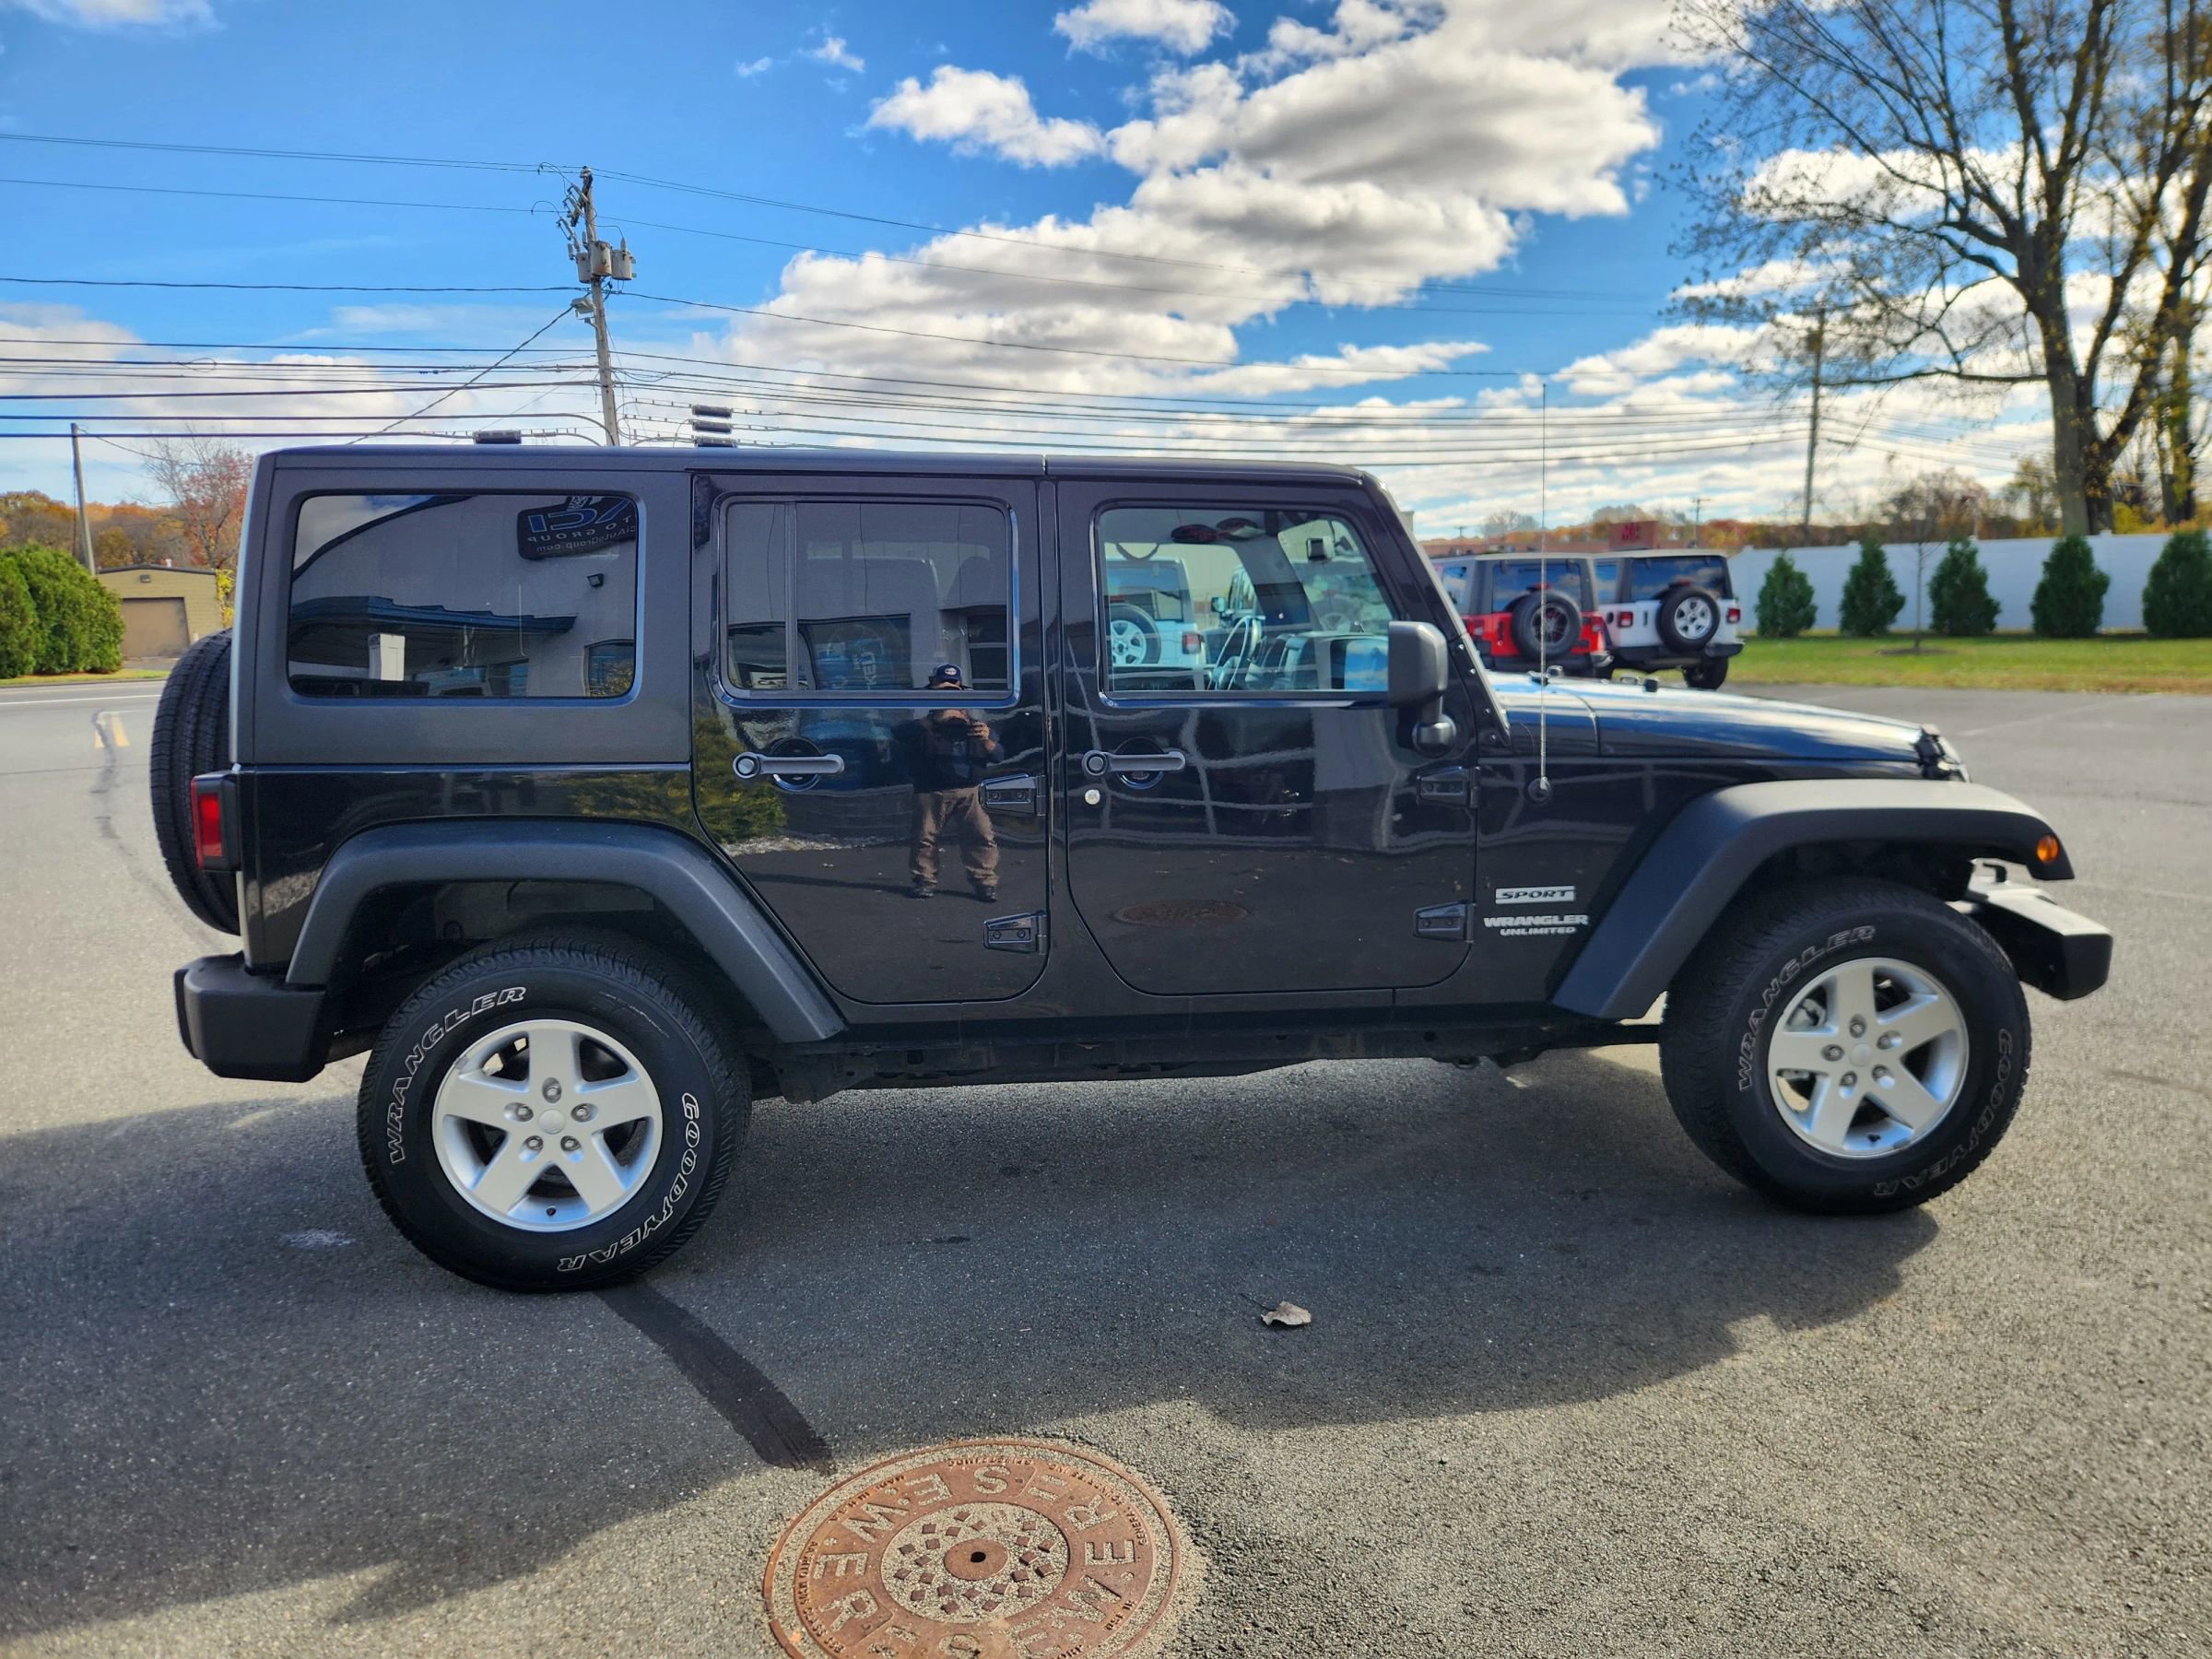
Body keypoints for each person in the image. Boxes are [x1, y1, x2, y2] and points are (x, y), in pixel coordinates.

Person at [897, 664, 1002, 900]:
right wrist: (935, 719)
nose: (950, 696)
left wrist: (985, 740)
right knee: (924, 837)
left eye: (954, 690)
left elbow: (998, 755)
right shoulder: (922, 724)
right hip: (930, 790)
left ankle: (985, 883)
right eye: (943, 691)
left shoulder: (975, 725)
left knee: (981, 835)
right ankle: (924, 880)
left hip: (970, 790)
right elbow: (899, 734)